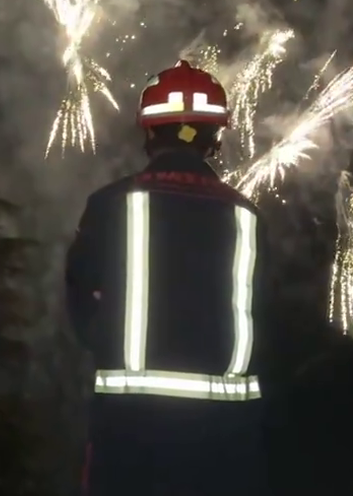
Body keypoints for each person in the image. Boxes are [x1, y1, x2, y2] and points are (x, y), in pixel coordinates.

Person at [65, 60, 266, 496]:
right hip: (225, 434)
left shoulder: (109, 204)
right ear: (216, 137)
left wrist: (107, 343)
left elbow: (78, 296)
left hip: (129, 423)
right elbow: (267, 313)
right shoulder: (247, 216)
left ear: (149, 132)